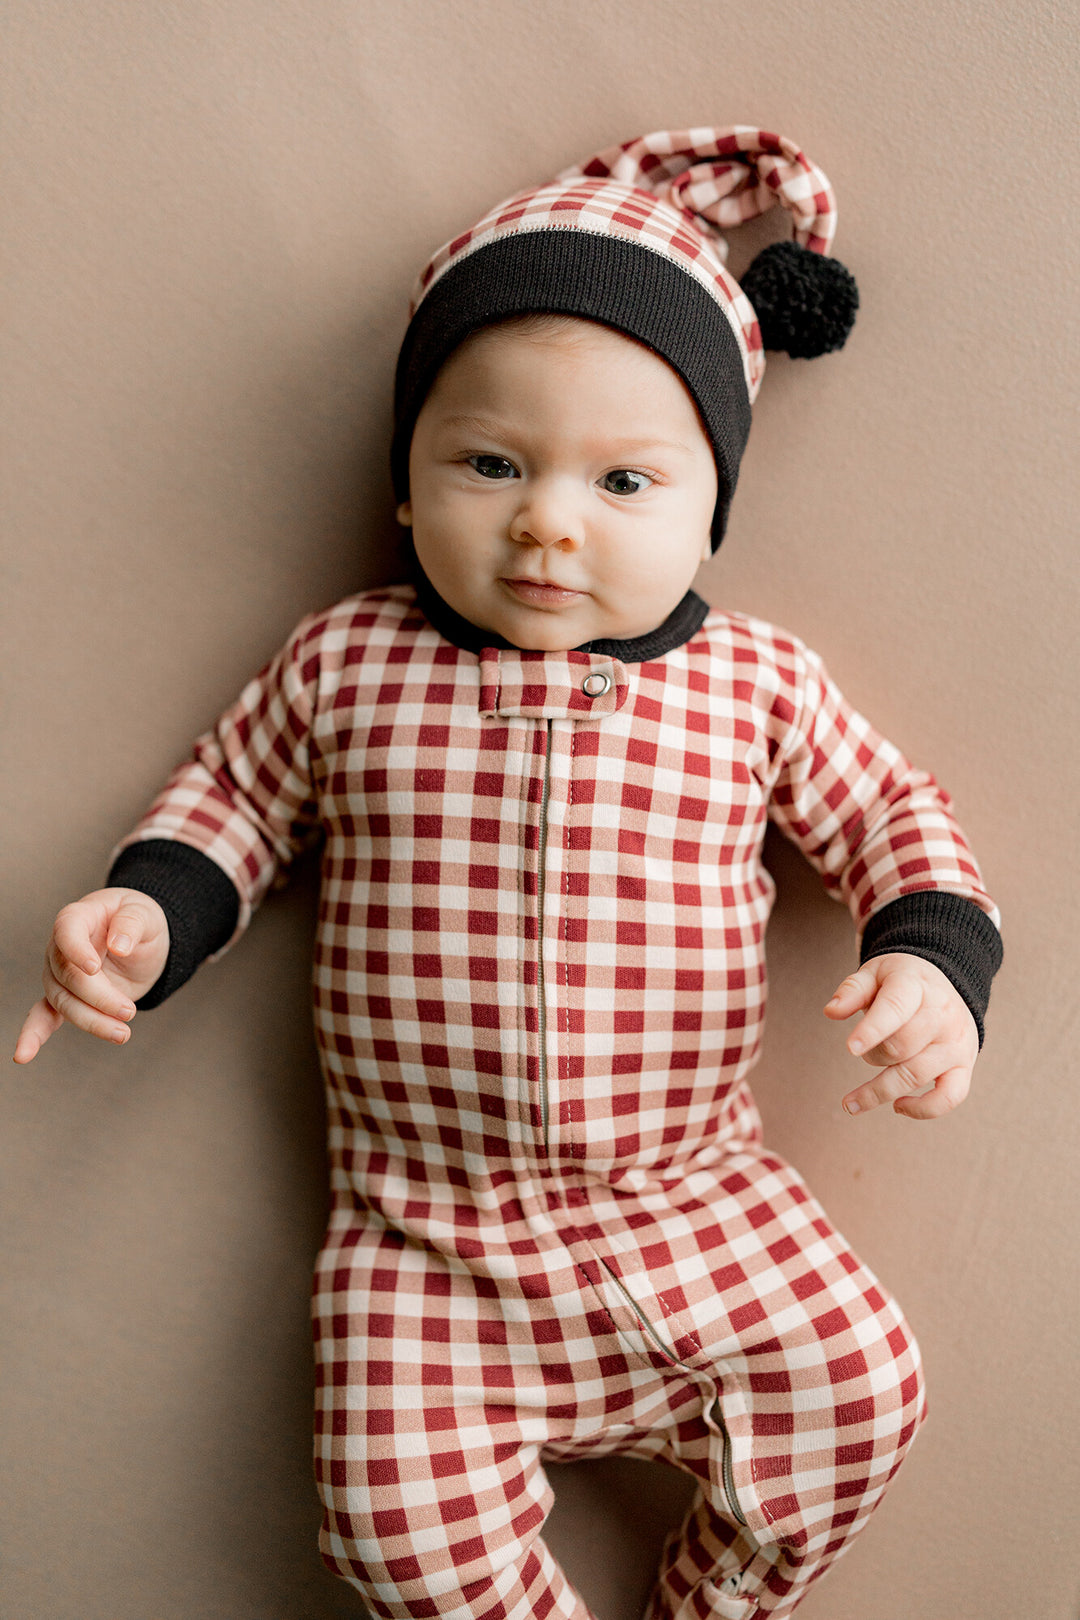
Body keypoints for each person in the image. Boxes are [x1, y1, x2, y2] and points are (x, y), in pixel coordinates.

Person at [14, 127, 1002, 1619]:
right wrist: (146, 913)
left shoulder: (752, 684)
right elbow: (231, 799)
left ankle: (711, 1600)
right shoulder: (348, 660)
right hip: (424, 1233)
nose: (548, 519)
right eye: (488, 463)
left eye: (625, 480)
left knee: (863, 1385)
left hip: (690, 1193)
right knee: (390, 1525)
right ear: (405, 487)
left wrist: (931, 962)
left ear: (705, 509)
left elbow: (895, 818)